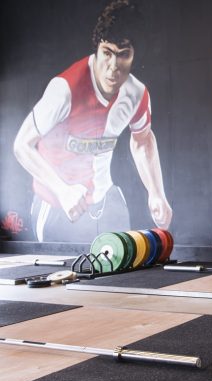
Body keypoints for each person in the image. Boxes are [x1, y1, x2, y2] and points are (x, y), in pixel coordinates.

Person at [13, 0, 172, 243]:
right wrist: (62, 190)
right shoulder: (65, 89)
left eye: (123, 55)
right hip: (57, 206)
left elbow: (142, 141)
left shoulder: (136, 94)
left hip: (106, 201)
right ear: (97, 48)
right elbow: (22, 145)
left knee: (124, 264)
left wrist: (156, 192)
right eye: (107, 53)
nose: (113, 67)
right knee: (65, 268)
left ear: (134, 56)